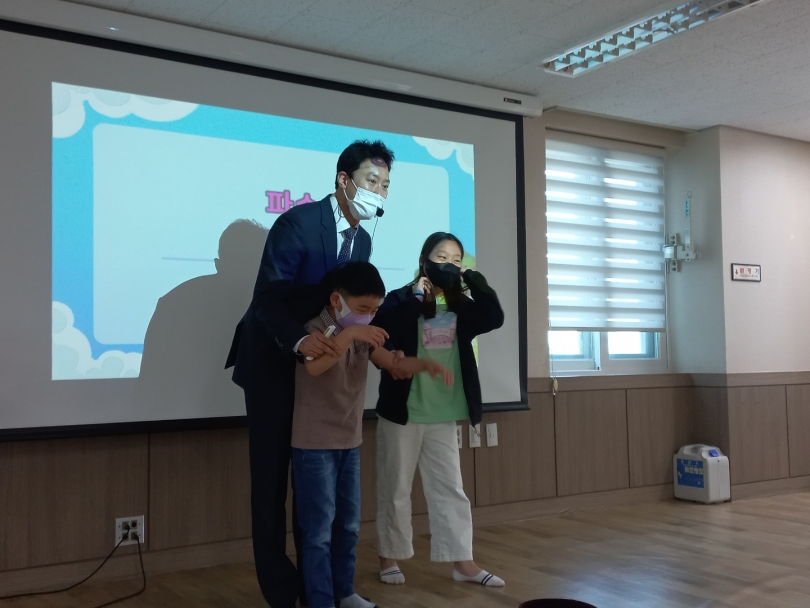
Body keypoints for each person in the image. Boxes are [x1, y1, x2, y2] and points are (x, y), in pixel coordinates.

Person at [225, 140, 395, 608]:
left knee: (315, 489)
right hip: (275, 363)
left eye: (385, 185)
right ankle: (284, 593)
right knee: (271, 485)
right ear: (344, 180)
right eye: (371, 181)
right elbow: (267, 298)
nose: (379, 192)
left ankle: (322, 589)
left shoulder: (363, 240)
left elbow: (346, 308)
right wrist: (299, 342)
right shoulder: (297, 223)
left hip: (321, 374)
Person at [292, 261, 451, 608]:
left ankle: (344, 593)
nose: (368, 317)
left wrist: (425, 364)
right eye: (363, 308)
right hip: (314, 446)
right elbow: (315, 367)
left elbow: (392, 363)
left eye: (374, 310)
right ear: (337, 300)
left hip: (350, 442)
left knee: (348, 525)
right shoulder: (316, 329)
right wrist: (350, 335)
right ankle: (320, 601)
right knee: (318, 532)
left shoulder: (363, 332)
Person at [371, 232, 506, 588]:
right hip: (403, 412)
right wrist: (418, 299)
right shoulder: (401, 298)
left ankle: (463, 563)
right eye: (441, 257)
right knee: (394, 489)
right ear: (424, 261)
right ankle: (389, 559)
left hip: (443, 412)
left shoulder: (462, 306)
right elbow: (383, 330)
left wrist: (473, 279)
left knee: (450, 490)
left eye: (456, 260)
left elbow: (495, 317)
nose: (449, 264)